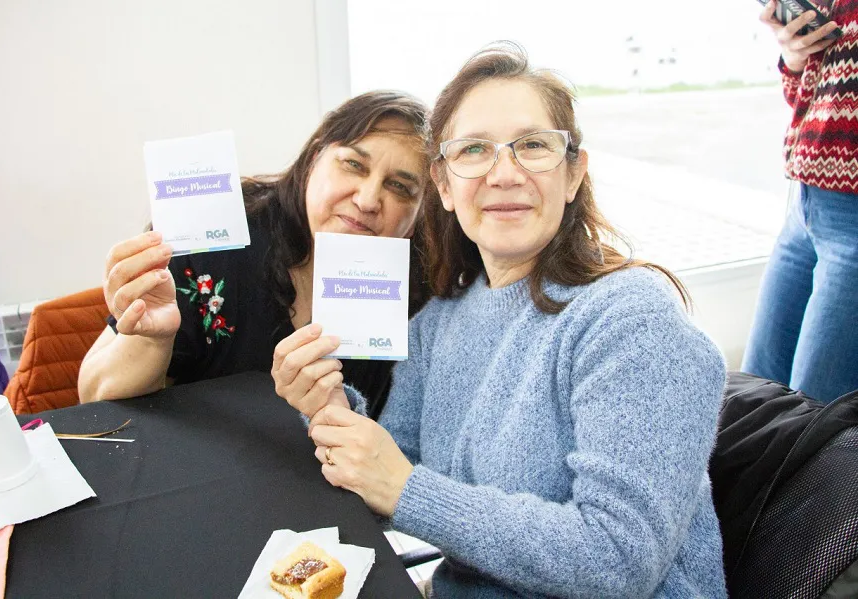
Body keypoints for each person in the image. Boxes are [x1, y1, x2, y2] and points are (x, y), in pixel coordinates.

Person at [273, 46, 728, 598]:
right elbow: (387, 474)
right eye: (474, 150)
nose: (504, 174)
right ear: (443, 185)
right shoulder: (437, 324)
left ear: (573, 175)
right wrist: (330, 407)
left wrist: (406, 489)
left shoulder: (632, 320)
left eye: (533, 146)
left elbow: (620, 561)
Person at [78, 91, 430, 419]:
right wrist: (152, 341)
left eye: (400, 187)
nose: (368, 200)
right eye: (354, 164)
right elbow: (93, 395)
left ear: (417, 217)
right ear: (313, 160)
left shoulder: (423, 300)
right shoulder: (216, 242)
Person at [742, 0, 858, 402]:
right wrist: (795, 56)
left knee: (816, 423)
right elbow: (813, 99)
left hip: (852, 215)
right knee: (752, 397)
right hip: (806, 200)